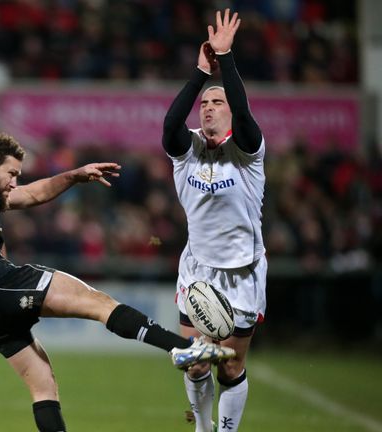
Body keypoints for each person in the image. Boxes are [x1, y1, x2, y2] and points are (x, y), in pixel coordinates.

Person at [0, 133, 236, 431]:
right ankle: (181, 347)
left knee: (43, 385)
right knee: (97, 302)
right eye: (11, 174)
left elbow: (32, 194)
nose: (14, 182)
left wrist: (73, 176)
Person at [161, 10, 266, 432]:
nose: (208, 108)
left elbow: (244, 114)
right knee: (196, 362)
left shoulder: (247, 152)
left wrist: (226, 59)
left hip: (242, 271)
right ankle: (203, 429)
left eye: (216, 102)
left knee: (230, 366)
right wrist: (201, 74)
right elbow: (171, 122)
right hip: (198, 269)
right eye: (204, 103)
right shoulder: (185, 150)